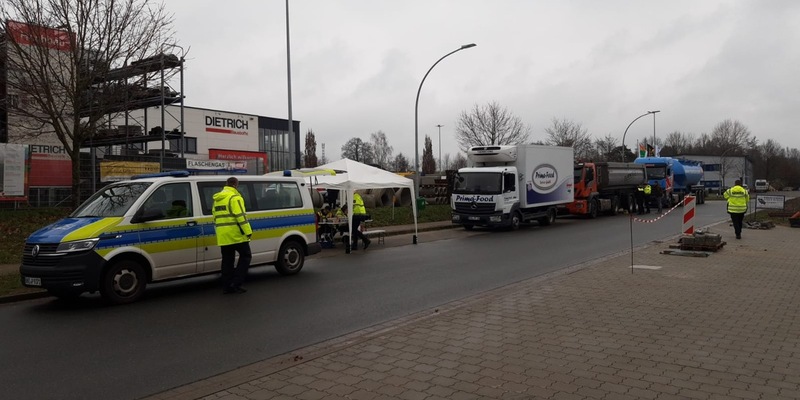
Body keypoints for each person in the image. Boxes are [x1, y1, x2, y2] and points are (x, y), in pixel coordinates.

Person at [212, 177, 252, 294]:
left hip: (223, 235)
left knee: (227, 261)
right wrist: (248, 231)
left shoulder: (217, 199)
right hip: (236, 234)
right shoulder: (235, 198)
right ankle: (236, 282)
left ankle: (226, 285)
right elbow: (241, 217)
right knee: (246, 257)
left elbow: (215, 217)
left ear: (226, 184)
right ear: (235, 185)